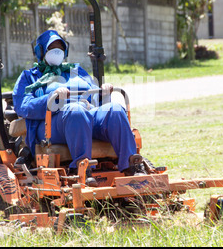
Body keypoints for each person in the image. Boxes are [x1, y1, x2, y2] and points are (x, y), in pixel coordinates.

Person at [12, 30, 146, 185]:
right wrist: (52, 98)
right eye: (52, 49)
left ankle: (131, 165)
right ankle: (81, 168)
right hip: (52, 125)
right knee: (76, 111)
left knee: (115, 109)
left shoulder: (76, 71)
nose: (57, 52)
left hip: (85, 115)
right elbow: (23, 106)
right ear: (41, 51)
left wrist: (103, 93)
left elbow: (94, 98)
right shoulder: (29, 77)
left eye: (60, 49)